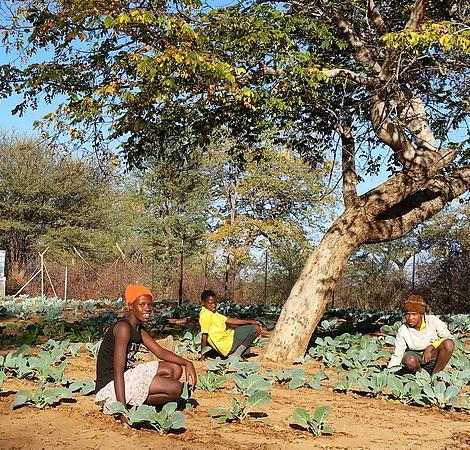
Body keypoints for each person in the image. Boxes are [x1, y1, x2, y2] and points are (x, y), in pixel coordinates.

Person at [95, 284, 197, 418]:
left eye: (149, 304)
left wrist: (187, 363)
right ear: (130, 306)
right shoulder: (123, 328)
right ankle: (128, 404)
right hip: (111, 385)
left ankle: (140, 397)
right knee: (176, 389)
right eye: (142, 304)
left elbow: (160, 352)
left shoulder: (138, 329)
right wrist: (122, 411)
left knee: (175, 369)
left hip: (128, 376)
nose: (147, 309)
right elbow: (118, 371)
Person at [387, 294, 454, 375]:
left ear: (421, 315)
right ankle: (421, 376)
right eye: (407, 314)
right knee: (409, 360)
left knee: (449, 344)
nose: (410, 318)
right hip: (415, 361)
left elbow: (448, 337)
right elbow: (398, 354)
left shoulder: (433, 321)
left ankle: (436, 376)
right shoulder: (403, 330)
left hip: (432, 358)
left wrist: (431, 347)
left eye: (414, 314)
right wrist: (389, 372)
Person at [199, 289, 262, 359]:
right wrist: (203, 354)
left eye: (215, 303)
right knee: (256, 329)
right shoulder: (206, 315)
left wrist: (250, 321)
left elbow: (228, 320)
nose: (214, 305)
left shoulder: (211, 312)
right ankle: (236, 354)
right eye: (210, 303)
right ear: (203, 303)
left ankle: (236, 353)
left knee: (241, 327)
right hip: (226, 345)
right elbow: (204, 336)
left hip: (228, 338)